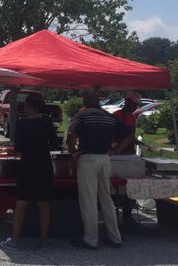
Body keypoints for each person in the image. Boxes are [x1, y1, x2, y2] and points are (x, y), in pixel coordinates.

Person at [67, 90, 131, 250]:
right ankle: (115, 237)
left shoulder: (82, 115)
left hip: (88, 158)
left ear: (86, 100)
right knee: (107, 199)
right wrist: (116, 151)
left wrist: (72, 151)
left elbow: (71, 133)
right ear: (99, 101)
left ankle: (90, 239)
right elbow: (128, 134)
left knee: (89, 200)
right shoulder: (109, 117)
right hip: (105, 159)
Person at [0, 93, 57, 250]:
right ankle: (44, 240)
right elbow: (54, 143)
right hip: (44, 164)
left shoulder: (22, 123)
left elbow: (18, 147)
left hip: (28, 164)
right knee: (44, 205)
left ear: (29, 107)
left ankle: (15, 240)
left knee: (21, 204)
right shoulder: (47, 121)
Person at [113, 90, 142, 226]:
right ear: (127, 102)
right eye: (133, 104)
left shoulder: (133, 117)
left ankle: (127, 214)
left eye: (137, 105)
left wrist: (140, 143)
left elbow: (131, 136)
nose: (135, 107)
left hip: (130, 155)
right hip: (118, 155)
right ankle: (116, 214)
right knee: (118, 185)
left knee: (130, 185)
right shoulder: (117, 115)